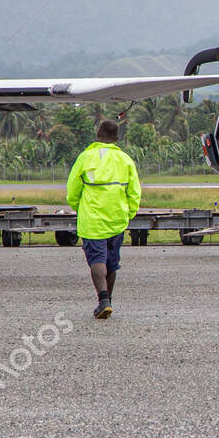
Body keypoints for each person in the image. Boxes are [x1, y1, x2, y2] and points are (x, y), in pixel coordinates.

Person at [65, 118, 142, 319]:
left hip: (92, 221)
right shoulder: (125, 159)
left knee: (97, 260)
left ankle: (103, 300)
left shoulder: (85, 157)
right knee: (111, 262)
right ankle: (108, 301)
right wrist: (128, 214)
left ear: (98, 135)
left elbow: (72, 191)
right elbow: (134, 192)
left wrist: (80, 208)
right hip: (117, 219)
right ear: (117, 138)